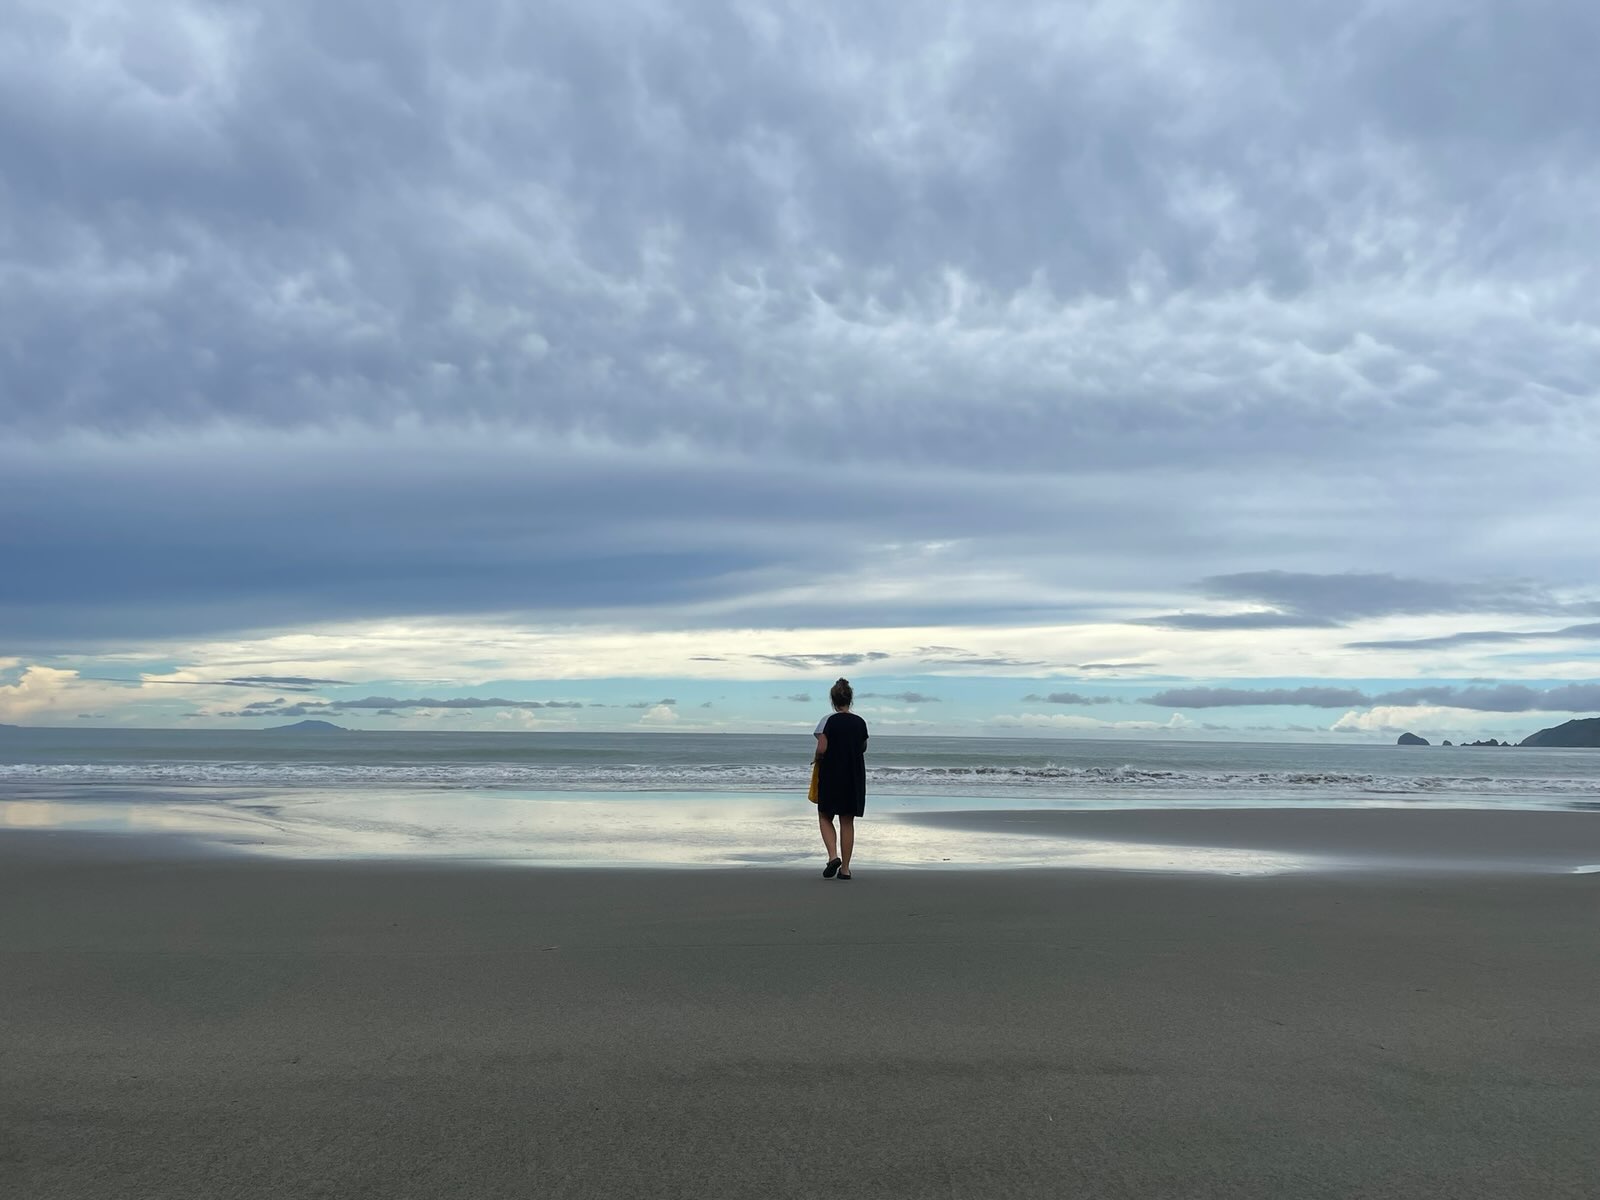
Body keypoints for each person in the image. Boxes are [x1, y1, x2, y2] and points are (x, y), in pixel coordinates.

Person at [813, 677, 869, 879]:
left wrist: (817, 758)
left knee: (825, 815)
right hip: (853, 775)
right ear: (850, 699)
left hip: (831, 774)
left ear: (832, 700)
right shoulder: (860, 722)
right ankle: (845, 869)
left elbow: (822, 748)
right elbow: (863, 748)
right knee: (847, 821)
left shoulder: (828, 721)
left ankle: (832, 856)